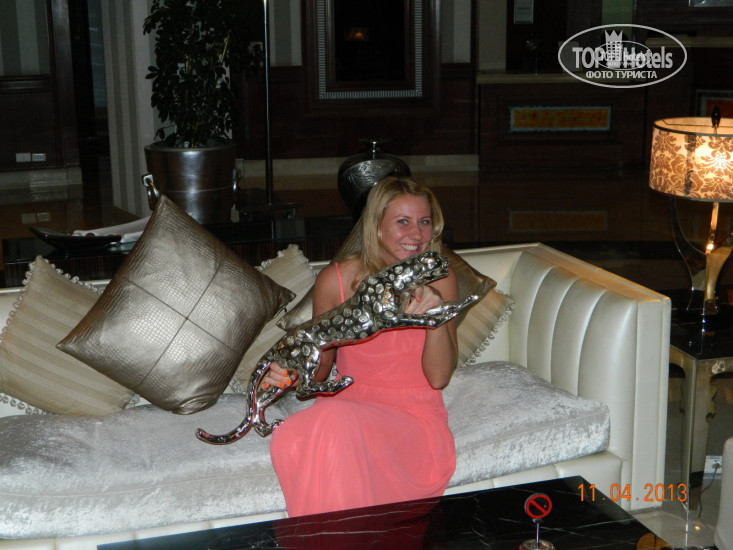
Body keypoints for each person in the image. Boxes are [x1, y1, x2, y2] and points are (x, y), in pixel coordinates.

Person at [264, 177, 459, 517]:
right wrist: (291, 372)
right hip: (347, 408)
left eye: (424, 222)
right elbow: (321, 370)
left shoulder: (440, 279)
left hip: (412, 419)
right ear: (376, 226)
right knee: (291, 436)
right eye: (403, 222)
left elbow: (439, 377)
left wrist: (437, 313)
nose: (416, 234)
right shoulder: (337, 280)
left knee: (332, 422)